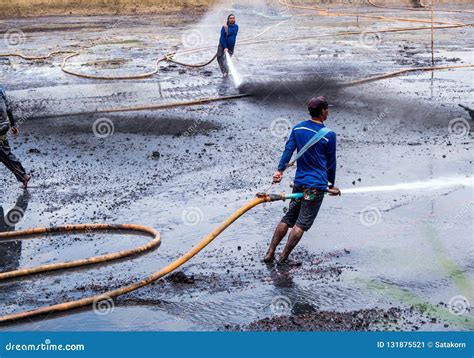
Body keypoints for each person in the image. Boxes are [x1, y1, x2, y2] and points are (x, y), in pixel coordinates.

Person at [264, 96, 341, 264]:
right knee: (302, 223)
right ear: (322, 112)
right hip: (315, 187)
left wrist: (279, 170)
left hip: (299, 183)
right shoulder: (329, 135)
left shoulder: (298, 129)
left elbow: (288, 151)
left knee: (289, 217)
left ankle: (270, 253)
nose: (328, 112)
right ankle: (283, 257)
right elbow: (331, 163)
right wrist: (331, 185)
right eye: (327, 109)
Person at [0, 85, 30, 189]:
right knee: (4, 153)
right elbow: (8, 108)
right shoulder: (1, 89)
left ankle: (23, 176)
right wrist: (13, 125)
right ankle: (23, 176)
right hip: (4, 126)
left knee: (4, 154)